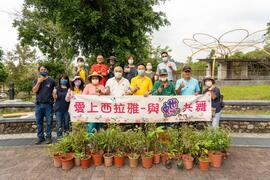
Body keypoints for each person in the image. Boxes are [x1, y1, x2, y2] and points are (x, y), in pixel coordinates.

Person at [32, 65, 56, 144]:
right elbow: (34, 91)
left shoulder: (51, 80)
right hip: (38, 105)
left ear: (47, 70)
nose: (43, 70)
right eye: (41, 69)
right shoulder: (36, 80)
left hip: (48, 105)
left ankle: (48, 137)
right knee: (39, 122)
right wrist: (39, 82)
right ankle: (40, 137)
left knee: (49, 122)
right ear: (39, 71)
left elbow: (55, 91)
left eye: (45, 69)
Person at [53, 74, 70, 140]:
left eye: (65, 79)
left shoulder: (69, 89)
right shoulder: (56, 88)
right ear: (60, 80)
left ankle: (66, 137)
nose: (63, 80)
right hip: (58, 109)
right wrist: (54, 93)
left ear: (67, 80)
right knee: (59, 124)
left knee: (66, 124)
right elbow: (55, 98)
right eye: (62, 79)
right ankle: (59, 137)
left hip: (67, 109)